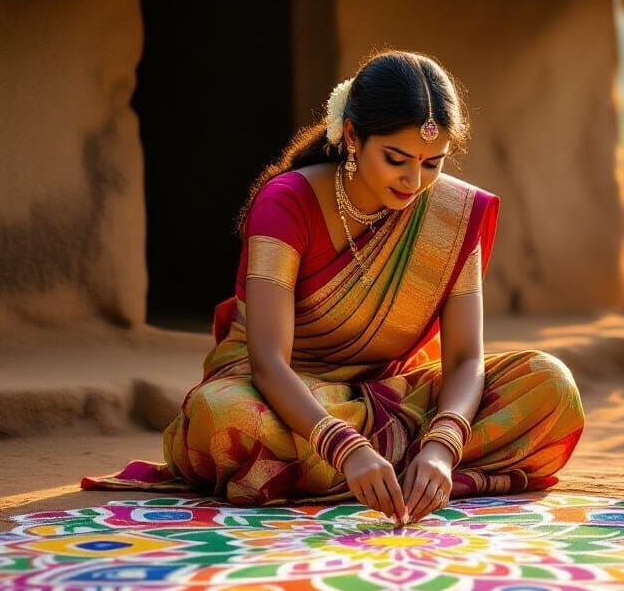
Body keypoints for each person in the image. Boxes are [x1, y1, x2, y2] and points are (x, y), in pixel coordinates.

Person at [82, 50, 585, 524]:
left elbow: (465, 360)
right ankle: (381, 469)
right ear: (351, 136)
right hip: (283, 398)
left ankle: (408, 471)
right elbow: (268, 363)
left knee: (550, 385)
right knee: (224, 418)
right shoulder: (286, 204)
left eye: (432, 163)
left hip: (394, 397)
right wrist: (347, 447)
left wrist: (441, 448)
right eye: (396, 159)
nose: (414, 181)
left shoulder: (452, 215)